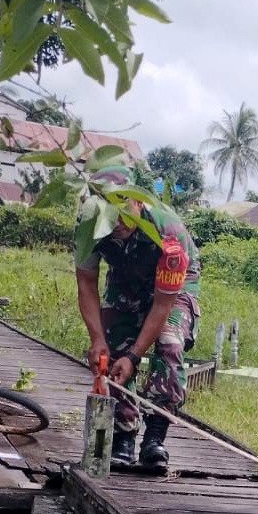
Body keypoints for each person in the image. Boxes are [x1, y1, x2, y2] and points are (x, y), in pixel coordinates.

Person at [74, 168, 201, 471]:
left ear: (138, 202)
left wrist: (134, 356)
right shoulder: (88, 227)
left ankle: (155, 438)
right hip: (124, 279)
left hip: (174, 287)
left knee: (170, 344)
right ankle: (124, 435)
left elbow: (162, 305)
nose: (116, 223)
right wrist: (97, 339)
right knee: (112, 350)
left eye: (123, 212)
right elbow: (86, 282)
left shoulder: (168, 232)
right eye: (109, 215)